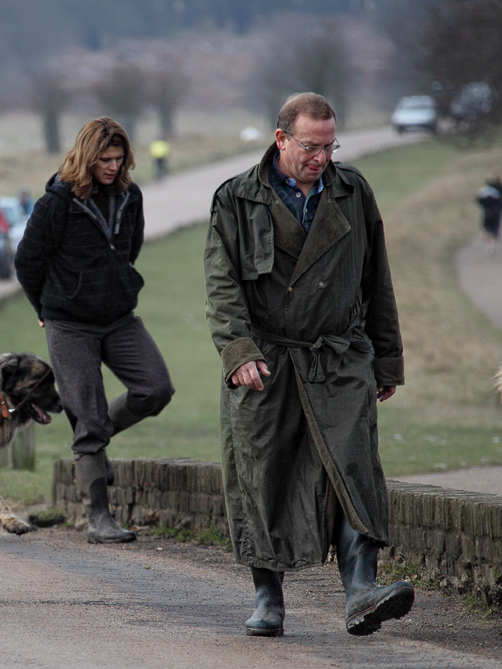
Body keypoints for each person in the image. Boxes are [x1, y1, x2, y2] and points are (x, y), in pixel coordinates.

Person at [204, 92, 414, 637]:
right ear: (281, 139)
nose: (322, 157)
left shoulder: (352, 192)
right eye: (310, 146)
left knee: (354, 467)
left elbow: (376, 279)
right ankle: (267, 599)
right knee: (261, 474)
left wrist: (385, 359)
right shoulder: (235, 200)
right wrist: (238, 353)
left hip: (338, 356)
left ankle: (362, 592)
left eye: (329, 145)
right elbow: (221, 286)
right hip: (266, 361)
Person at [15, 116, 174, 544]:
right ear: (87, 157)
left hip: (119, 318)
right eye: (105, 159)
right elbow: (27, 261)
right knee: (87, 417)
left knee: (156, 388)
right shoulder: (56, 204)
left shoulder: (130, 196)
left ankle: (94, 440)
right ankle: (100, 518)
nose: (112, 166)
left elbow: (131, 248)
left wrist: (116, 283)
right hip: (69, 323)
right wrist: (44, 308)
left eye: (119, 159)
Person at [476, 175, 502, 255]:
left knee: (487, 230)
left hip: (485, 213)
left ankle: (489, 246)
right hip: (494, 213)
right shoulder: (496, 192)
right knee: (493, 230)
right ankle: (490, 245)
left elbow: (478, 200)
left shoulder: (482, 191)